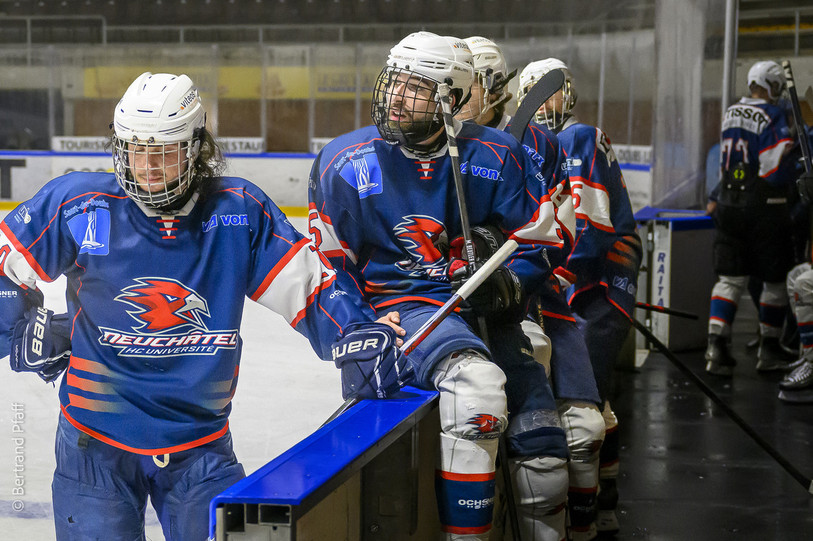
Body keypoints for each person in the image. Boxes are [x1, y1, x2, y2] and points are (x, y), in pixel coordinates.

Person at [0, 72, 405, 541]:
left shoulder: (238, 212)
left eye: (164, 152)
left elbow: (311, 289)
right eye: (134, 150)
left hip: (202, 452)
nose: (147, 167)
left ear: (195, 147)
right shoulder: (79, 204)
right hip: (93, 452)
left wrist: (352, 330)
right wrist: (18, 331)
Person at [308, 31, 571, 541]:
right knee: (477, 393)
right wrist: (359, 323)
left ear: (451, 98)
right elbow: (327, 265)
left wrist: (507, 286)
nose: (395, 98)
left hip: (486, 318)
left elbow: (543, 238)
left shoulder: (498, 155)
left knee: (546, 463)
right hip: (403, 312)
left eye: (416, 88)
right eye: (394, 83)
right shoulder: (344, 162)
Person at [456, 36, 605, 541]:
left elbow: (557, 236)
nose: (458, 95)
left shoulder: (538, 145)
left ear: (493, 88)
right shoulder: (436, 142)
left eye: (470, 85)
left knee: (583, 430)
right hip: (464, 311)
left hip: (533, 299)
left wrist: (518, 277)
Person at [518, 58, 643, 538]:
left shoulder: (574, 137)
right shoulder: (564, 140)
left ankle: (592, 514)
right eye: (532, 93)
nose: (540, 103)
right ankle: (605, 504)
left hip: (600, 285)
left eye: (547, 91)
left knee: (584, 406)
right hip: (603, 285)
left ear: (565, 94)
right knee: (598, 399)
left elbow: (589, 231)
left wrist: (546, 278)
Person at [703, 59, 797, 377]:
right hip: (763, 206)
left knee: (729, 279)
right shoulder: (771, 114)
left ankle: (716, 347)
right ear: (770, 85)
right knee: (774, 280)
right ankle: (768, 349)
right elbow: (772, 166)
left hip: (729, 202)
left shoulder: (731, 112)